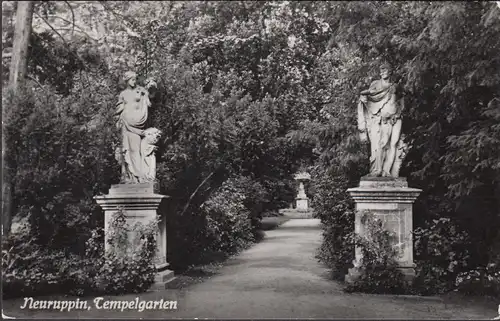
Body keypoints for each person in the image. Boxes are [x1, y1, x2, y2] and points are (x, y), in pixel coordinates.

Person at [357, 63, 404, 177]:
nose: (382, 72)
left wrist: (398, 113)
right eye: (381, 71)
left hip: (395, 118)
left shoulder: (395, 86)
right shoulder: (376, 84)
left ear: (390, 71)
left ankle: (388, 171)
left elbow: (401, 102)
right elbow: (367, 93)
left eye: (385, 70)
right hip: (381, 119)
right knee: (381, 144)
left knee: (394, 144)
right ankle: (377, 169)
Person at [115, 71, 151, 183]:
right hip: (125, 122)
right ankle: (126, 177)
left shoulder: (140, 91)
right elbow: (119, 109)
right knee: (125, 149)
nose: (134, 81)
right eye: (132, 79)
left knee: (135, 149)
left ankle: (138, 176)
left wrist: (150, 88)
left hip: (136, 123)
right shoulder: (123, 94)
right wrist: (117, 119)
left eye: (135, 79)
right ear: (127, 80)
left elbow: (150, 96)